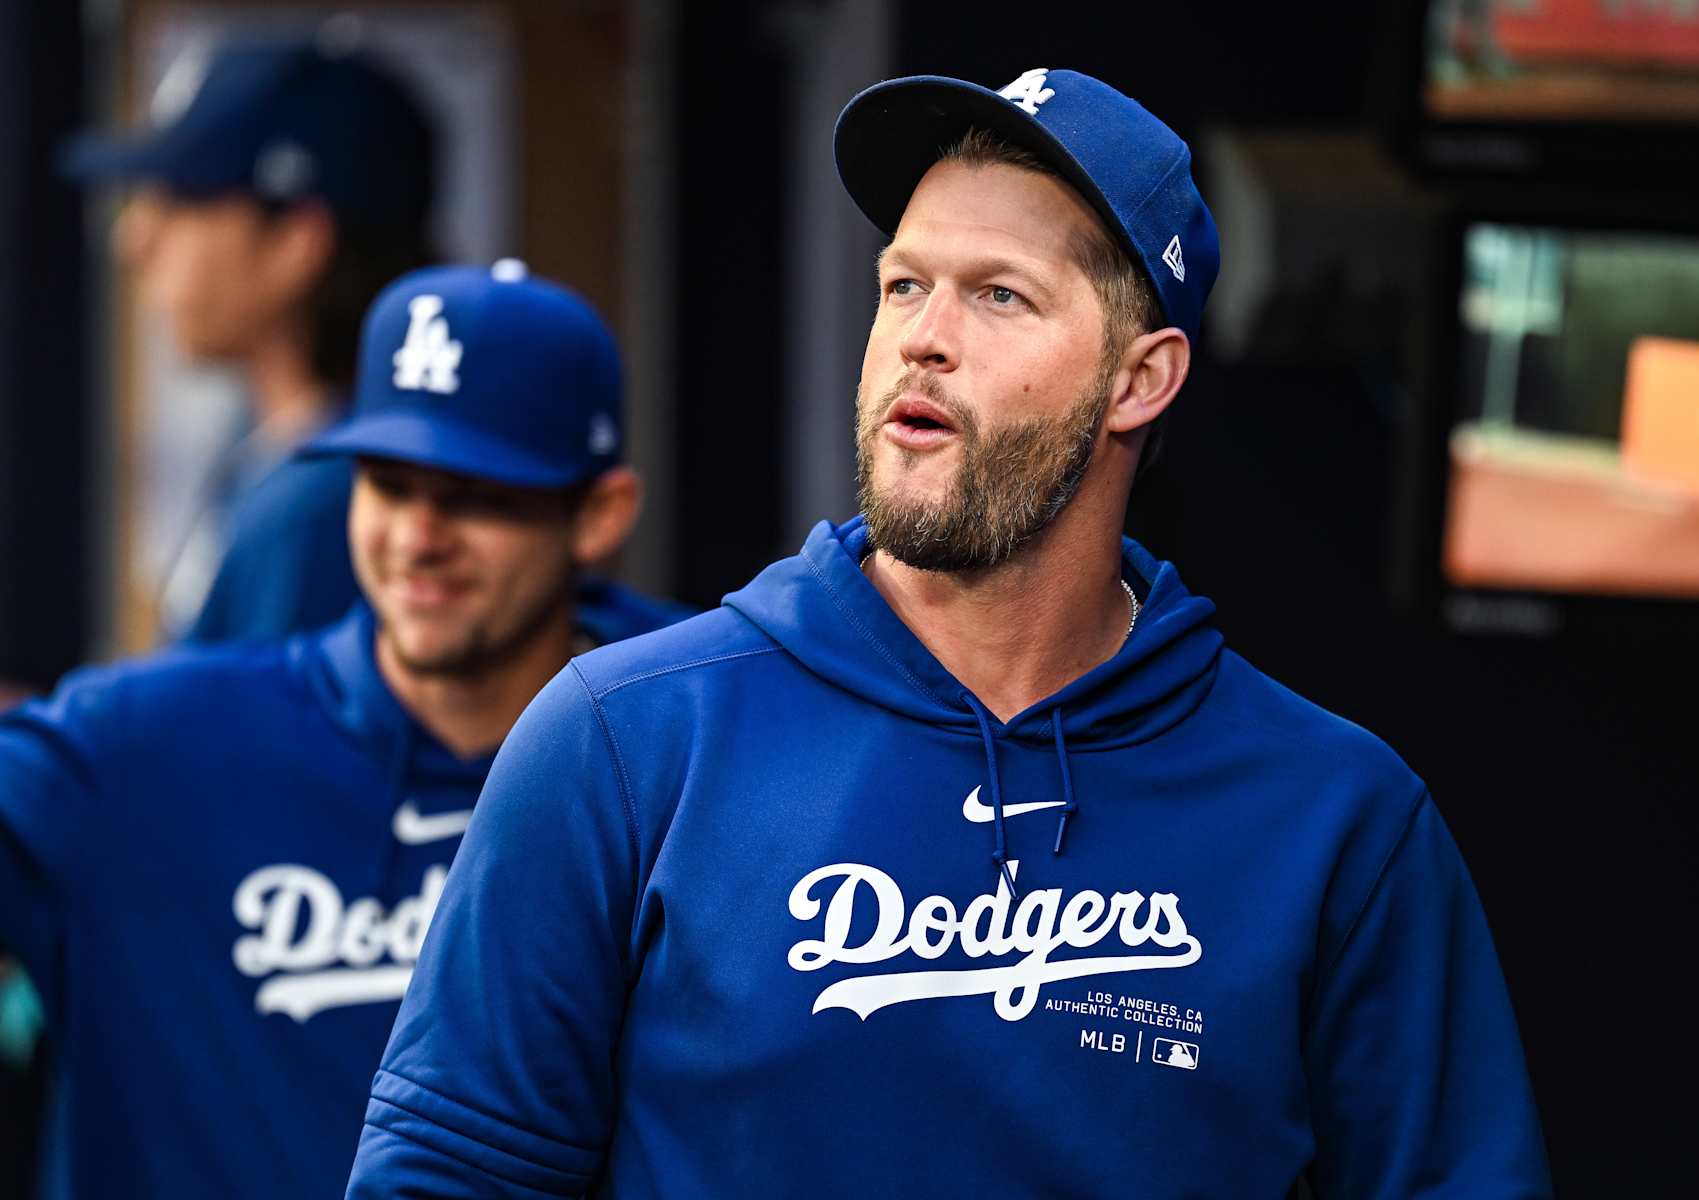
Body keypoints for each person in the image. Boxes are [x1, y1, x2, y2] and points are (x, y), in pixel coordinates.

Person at [347, 69, 1553, 1198]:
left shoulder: (1337, 819)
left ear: (1142, 379)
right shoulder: (625, 742)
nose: (925, 335)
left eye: (1000, 295)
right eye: (903, 284)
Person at [0, 262, 685, 1198]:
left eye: (476, 492)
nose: (417, 536)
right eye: (388, 483)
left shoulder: (699, 732)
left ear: (599, 514)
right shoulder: (149, 748)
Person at [65, 31, 438, 643]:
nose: (134, 240)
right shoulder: (270, 440)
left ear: (295, 242)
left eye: (182, 201)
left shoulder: (343, 504)